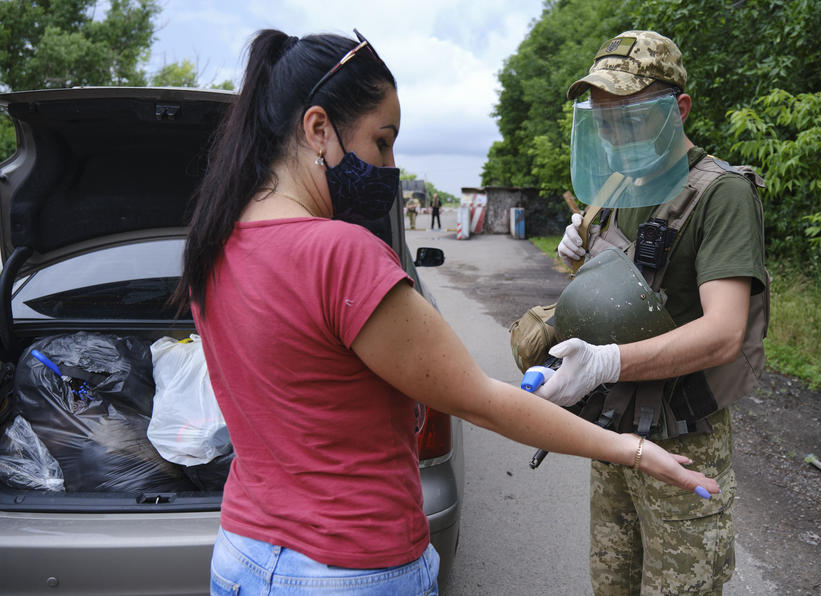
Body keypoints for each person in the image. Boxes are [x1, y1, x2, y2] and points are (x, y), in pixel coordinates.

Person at [175, 28, 720, 596]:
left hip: (241, 556)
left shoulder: (214, 244)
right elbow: (479, 400)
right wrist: (633, 450)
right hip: (349, 566)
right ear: (318, 129)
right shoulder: (341, 254)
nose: (389, 165)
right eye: (382, 141)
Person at [544, 31, 768, 595]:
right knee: (612, 583)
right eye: (604, 118)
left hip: (683, 436)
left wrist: (603, 363)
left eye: (630, 115)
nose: (614, 133)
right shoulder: (615, 186)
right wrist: (572, 253)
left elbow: (722, 335)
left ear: (678, 109)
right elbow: (611, 291)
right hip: (612, 430)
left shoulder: (721, 193)